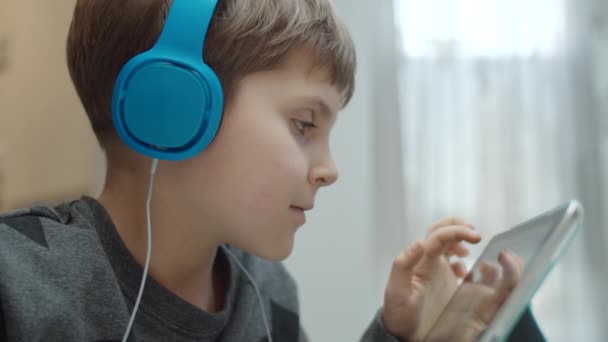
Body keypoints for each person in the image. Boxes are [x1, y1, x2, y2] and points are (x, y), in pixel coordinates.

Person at [0, 0, 545, 341]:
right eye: (305, 124)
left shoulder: (266, 293)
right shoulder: (20, 285)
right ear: (172, 108)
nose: (330, 170)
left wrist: (401, 337)